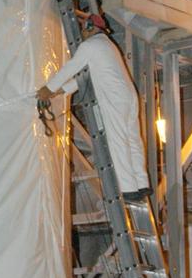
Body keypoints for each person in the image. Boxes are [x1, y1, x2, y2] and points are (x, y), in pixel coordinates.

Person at [37, 18, 150, 202]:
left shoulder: (90, 46)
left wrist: (48, 89)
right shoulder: (108, 45)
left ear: (90, 28)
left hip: (114, 97)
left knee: (118, 140)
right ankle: (142, 183)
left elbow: (71, 68)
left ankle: (128, 188)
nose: (82, 33)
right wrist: (61, 91)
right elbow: (86, 76)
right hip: (129, 96)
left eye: (84, 29)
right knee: (133, 140)